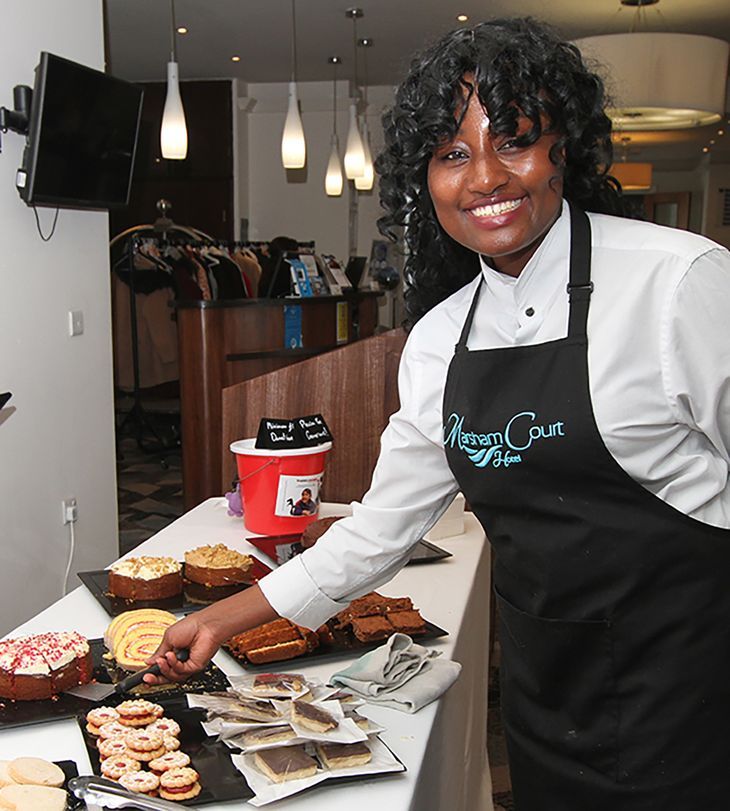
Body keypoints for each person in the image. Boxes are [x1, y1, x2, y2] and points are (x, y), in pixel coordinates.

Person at [147, 18, 730, 810]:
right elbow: (377, 531)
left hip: (695, 695)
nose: (485, 176)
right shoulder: (439, 340)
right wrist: (224, 617)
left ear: (566, 150)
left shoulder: (679, 283)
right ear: (425, 179)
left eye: (515, 139)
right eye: (453, 153)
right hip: (549, 698)